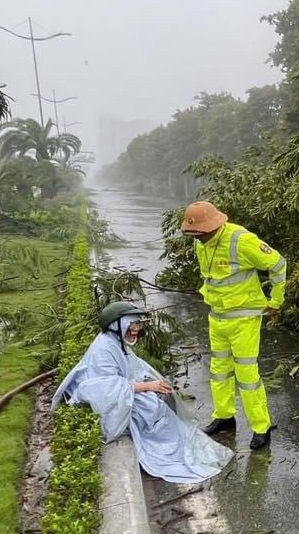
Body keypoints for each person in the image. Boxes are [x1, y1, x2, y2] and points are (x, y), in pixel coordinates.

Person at [52, 301, 233, 484]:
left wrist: (152, 382)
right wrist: (148, 387)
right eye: (133, 324)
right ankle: (170, 449)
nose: (137, 329)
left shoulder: (115, 342)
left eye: (137, 324)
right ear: (117, 325)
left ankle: (177, 443)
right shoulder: (105, 349)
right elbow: (107, 388)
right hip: (104, 402)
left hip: (117, 395)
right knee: (151, 409)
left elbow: (133, 369)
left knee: (156, 403)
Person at [179, 200, 286, 450]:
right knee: (219, 370)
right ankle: (224, 416)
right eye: (193, 234)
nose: (197, 238)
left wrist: (276, 301)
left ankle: (261, 427)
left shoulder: (241, 240)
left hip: (245, 318)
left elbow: (279, 264)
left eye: (200, 233)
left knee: (247, 375)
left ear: (213, 226)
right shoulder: (201, 242)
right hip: (218, 316)